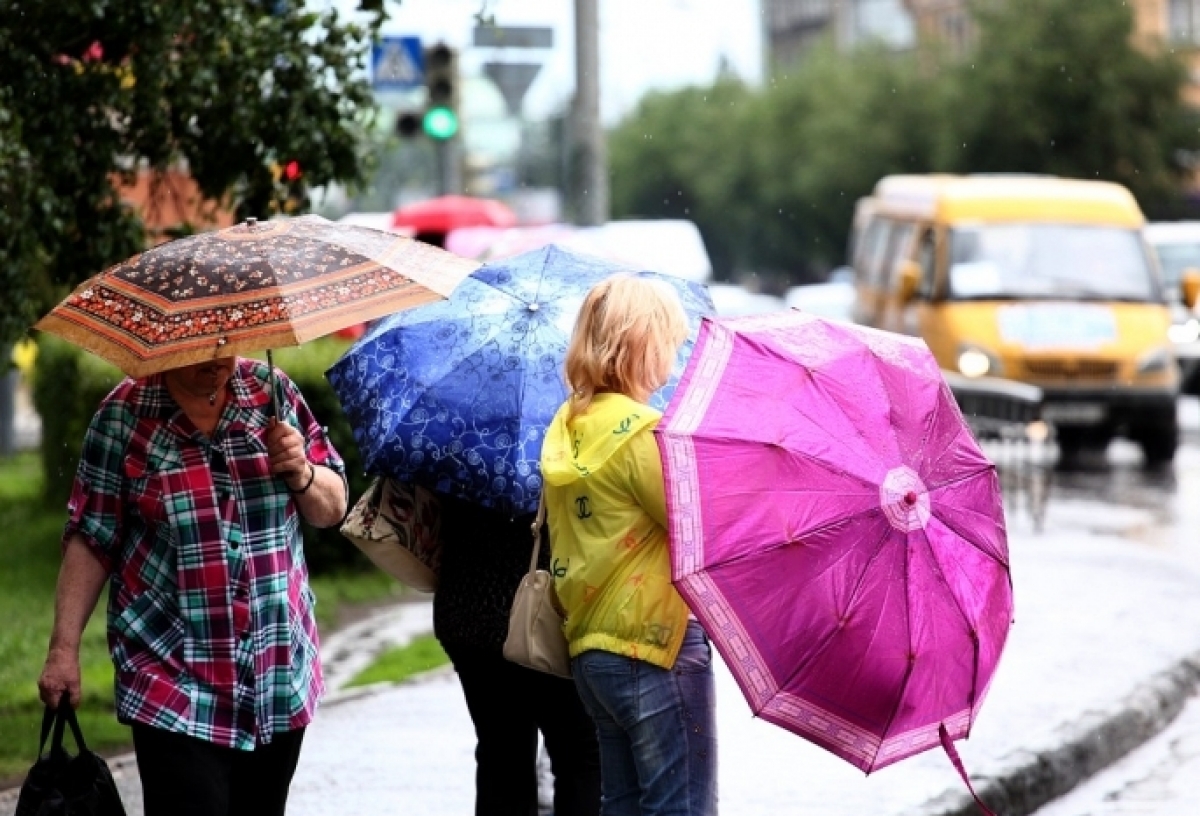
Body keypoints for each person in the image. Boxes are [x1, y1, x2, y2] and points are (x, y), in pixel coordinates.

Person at [37, 356, 348, 816]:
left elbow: (334, 506)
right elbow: (92, 537)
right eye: (204, 345)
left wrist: (301, 472)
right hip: (170, 676)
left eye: (227, 340)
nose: (218, 357)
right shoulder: (124, 414)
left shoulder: (272, 393)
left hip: (274, 672)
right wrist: (63, 651)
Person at [540, 277, 717, 816]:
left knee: (623, 803)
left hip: (595, 648)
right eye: (667, 340)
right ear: (640, 343)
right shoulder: (640, 432)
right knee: (680, 805)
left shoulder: (570, 424)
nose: (673, 354)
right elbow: (698, 525)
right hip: (655, 641)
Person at [434, 492, 601, 816]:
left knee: (501, 755)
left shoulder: (455, 441)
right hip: (548, 612)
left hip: (469, 608)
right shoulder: (561, 443)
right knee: (580, 754)